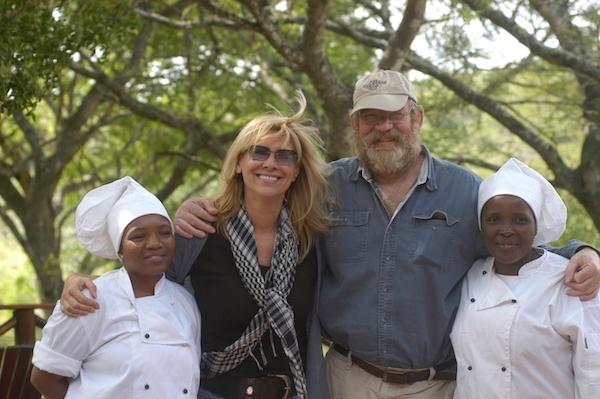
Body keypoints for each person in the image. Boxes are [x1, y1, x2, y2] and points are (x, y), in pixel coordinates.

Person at [173, 70, 600, 399]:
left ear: (417, 116)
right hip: (345, 378)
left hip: (436, 385)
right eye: (370, 118)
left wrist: (581, 250)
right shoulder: (326, 187)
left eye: (394, 115)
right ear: (356, 125)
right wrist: (196, 208)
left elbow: (512, 241)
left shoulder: (463, 189)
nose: (384, 127)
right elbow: (262, 200)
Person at [59, 92, 331, 399]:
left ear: (296, 171)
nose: (271, 163)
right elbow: (140, 287)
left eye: (285, 156)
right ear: (238, 163)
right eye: (259, 152)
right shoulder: (200, 231)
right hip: (211, 392)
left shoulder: (310, 239)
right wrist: (81, 284)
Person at [30, 176, 201, 399]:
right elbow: (44, 378)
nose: (155, 243)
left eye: (164, 232)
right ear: (120, 250)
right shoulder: (90, 299)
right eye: (138, 236)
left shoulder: (185, 302)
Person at [450, 158, 600, 398]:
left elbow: (593, 374)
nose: (506, 229)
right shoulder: (470, 275)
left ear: (536, 225)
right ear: (480, 226)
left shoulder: (572, 279)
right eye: (493, 219)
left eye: (520, 219)